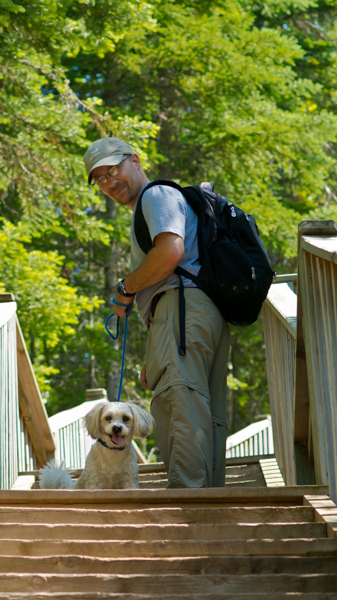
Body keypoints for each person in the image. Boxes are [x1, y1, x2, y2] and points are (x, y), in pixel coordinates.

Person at [83, 137, 229, 488]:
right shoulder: (153, 203)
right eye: (100, 178)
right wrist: (156, 353)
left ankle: (186, 500)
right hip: (188, 312)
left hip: (181, 308)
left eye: (113, 169)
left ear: (134, 159)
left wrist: (125, 288)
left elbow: (170, 252)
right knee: (200, 407)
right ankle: (207, 498)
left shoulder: (156, 195)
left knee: (180, 404)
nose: (109, 182)